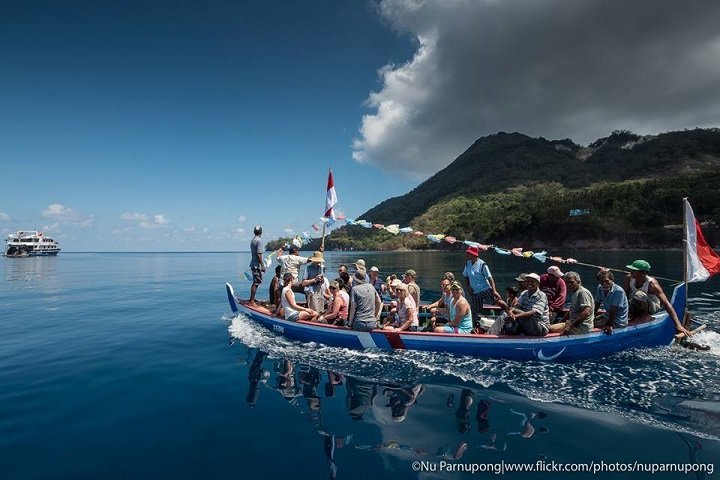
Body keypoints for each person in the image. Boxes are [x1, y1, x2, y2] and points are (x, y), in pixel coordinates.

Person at [623, 259, 690, 335]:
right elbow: (624, 295)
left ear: (643, 273)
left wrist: (678, 325)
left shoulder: (652, 285)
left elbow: (666, 304)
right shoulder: (629, 278)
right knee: (630, 298)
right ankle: (635, 315)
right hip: (636, 302)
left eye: (634, 271)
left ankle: (645, 316)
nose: (631, 272)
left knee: (639, 294)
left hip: (652, 306)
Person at [463, 246, 500, 322]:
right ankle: (476, 327)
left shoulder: (482, 264)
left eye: (468, 253)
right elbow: (466, 276)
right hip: (475, 292)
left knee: (497, 302)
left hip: (485, 289)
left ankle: (507, 311)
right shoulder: (467, 264)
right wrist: (468, 287)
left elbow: (490, 278)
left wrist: (494, 291)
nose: (467, 255)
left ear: (473, 254)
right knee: (475, 311)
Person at [249, 225, 265, 306]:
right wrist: (262, 265)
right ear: (261, 232)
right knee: (256, 282)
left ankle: (252, 298)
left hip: (253, 264)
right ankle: (251, 301)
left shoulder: (253, 240)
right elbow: (259, 254)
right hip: (256, 265)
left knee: (256, 282)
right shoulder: (259, 240)